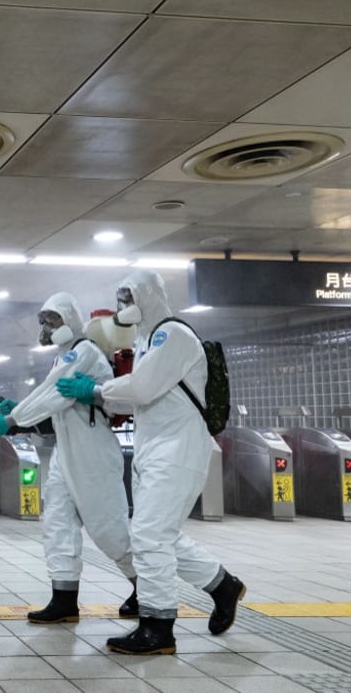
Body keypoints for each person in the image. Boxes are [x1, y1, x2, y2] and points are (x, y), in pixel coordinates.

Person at [57, 271, 246, 655]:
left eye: (128, 297)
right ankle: (223, 586)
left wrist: (94, 389)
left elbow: (141, 388)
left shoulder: (172, 335)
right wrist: (102, 395)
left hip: (178, 451)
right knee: (161, 535)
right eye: (120, 297)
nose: (123, 305)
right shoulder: (145, 341)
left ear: (147, 296)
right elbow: (136, 397)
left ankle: (158, 626)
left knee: (148, 535)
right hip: (155, 450)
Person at [0, 292, 138, 625]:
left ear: (70, 319)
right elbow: (56, 409)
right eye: (43, 321)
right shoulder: (63, 357)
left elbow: (52, 394)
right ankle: (64, 599)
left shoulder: (83, 351)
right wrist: (21, 412)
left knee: (109, 530)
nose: (46, 327)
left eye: (52, 319)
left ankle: (146, 588)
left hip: (93, 455)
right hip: (67, 455)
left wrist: (14, 419)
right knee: (57, 524)